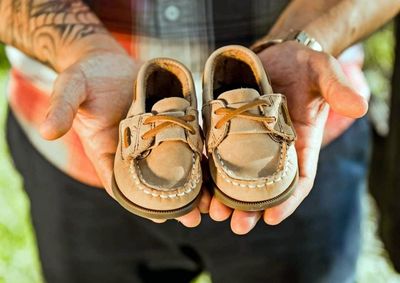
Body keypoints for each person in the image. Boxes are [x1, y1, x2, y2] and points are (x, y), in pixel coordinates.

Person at [0, 0, 398, 282]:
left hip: (309, 108)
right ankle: (161, 102)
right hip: (73, 149)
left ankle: (243, 90)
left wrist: (307, 40)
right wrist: (80, 48)